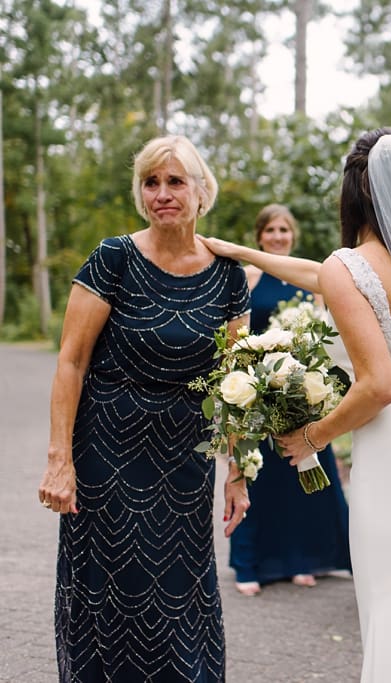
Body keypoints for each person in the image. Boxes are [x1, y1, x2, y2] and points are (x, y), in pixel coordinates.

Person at [201, 128, 391, 682]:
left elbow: (378, 386)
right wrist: (244, 254)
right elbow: (325, 276)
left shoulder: (352, 266)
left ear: (352, 193)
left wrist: (312, 436)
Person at [37, 135, 251, 682]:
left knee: (180, 587)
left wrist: (238, 474)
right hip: (107, 449)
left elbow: (235, 384)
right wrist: (60, 460)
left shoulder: (228, 275)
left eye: (174, 181)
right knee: (109, 591)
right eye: (150, 183)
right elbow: (71, 362)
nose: (161, 194)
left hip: (184, 457)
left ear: (202, 192)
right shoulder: (114, 258)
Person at [229, 204, 352, 597]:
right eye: (271, 230)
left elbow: (319, 333)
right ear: (260, 236)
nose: (278, 236)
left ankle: (304, 558)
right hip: (261, 387)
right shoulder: (250, 276)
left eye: (284, 230)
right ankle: (252, 564)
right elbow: (239, 332)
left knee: (302, 470)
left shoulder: (311, 277)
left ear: (292, 235)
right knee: (258, 470)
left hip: (299, 386)